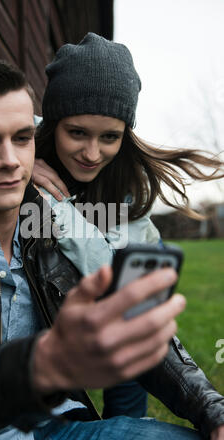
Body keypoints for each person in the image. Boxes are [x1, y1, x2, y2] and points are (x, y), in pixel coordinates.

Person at [0, 56, 223, 440]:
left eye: (21, 139)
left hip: (62, 431)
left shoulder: (59, 223)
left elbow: (133, 318)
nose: (10, 160)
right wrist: (43, 363)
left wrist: (212, 410)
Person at [32, 33, 224, 420]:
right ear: (53, 124)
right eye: (77, 133)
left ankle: (127, 420)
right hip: (52, 304)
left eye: (110, 137)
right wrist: (22, 159)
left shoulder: (127, 186)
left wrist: (58, 206)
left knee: (132, 329)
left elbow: (107, 272)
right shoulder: (16, 144)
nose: (92, 153)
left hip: (109, 277)